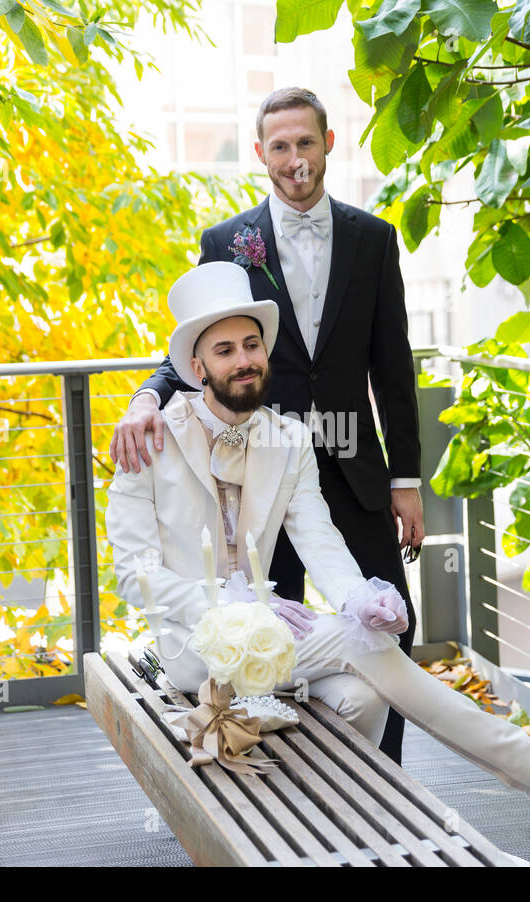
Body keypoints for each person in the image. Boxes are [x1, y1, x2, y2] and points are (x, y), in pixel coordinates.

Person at [105, 261, 530, 831]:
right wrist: (237, 607)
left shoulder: (289, 441)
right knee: (360, 645)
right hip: (191, 649)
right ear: (197, 367)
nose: (244, 360)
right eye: (225, 351)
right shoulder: (149, 441)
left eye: (252, 345)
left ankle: (327, 829)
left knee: (359, 695)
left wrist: (355, 597)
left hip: (269, 642)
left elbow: (318, 536)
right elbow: (133, 574)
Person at [108, 87, 425, 765]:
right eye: (279, 146)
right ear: (261, 154)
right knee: (265, 636)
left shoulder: (374, 238)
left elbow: (393, 368)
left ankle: (384, 776)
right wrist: (143, 398)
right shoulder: (227, 242)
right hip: (264, 464)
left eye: (305, 142)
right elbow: (199, 351)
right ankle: (279, 771)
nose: (294, 159)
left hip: (352, 463)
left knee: (388, 622)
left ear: (328, 144)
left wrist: (406, 480)